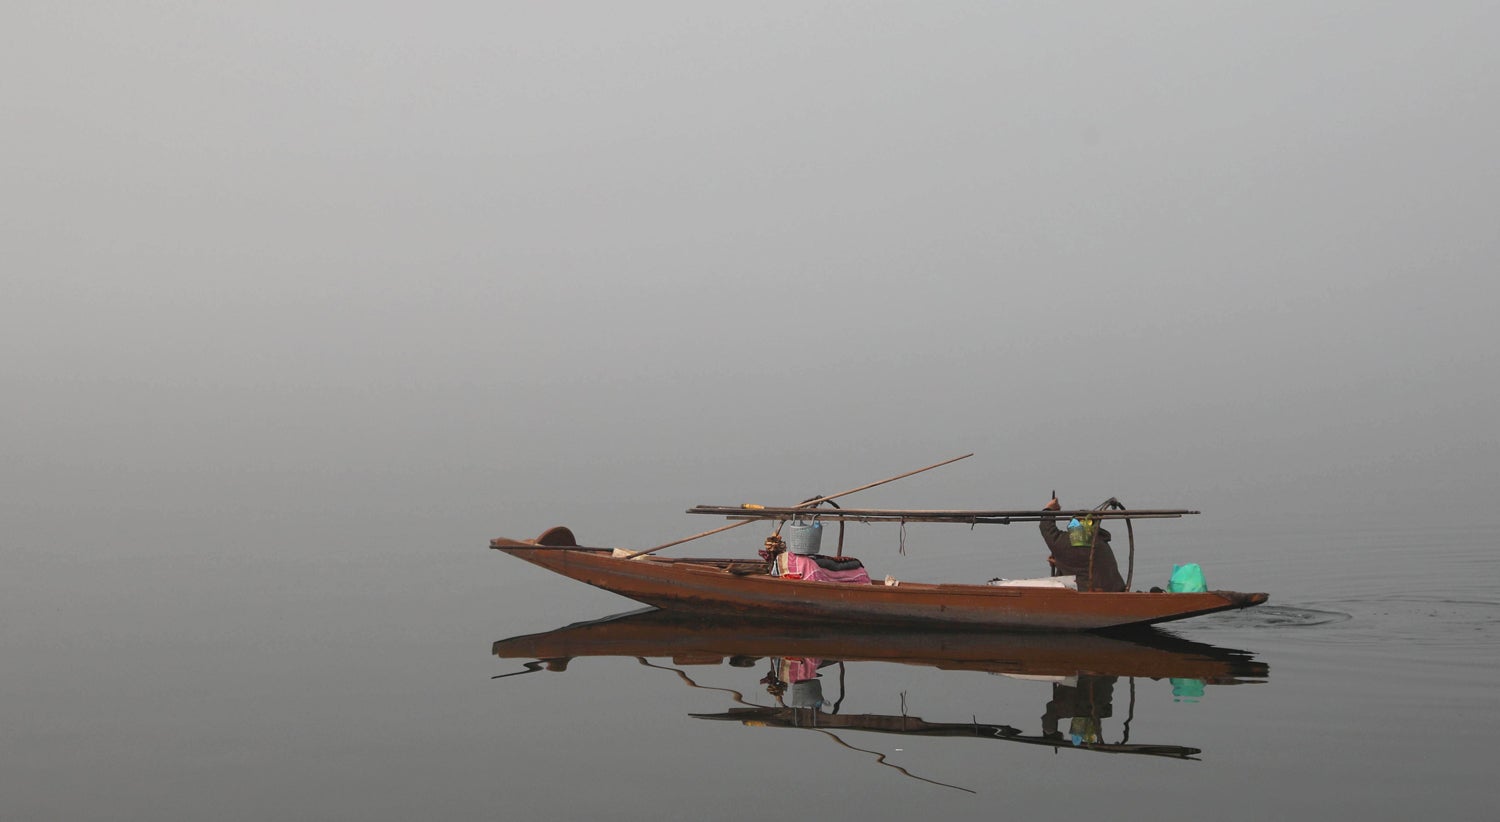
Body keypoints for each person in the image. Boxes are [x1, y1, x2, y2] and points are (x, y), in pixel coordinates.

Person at [1040, 496, 1126, 592]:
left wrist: (1049, 509)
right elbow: (1083, 566)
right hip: (1115, 592)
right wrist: (1060, 562)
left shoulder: (1073, 542)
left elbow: (1047, 528)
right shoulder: (1099, 542)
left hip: (1093, 596)